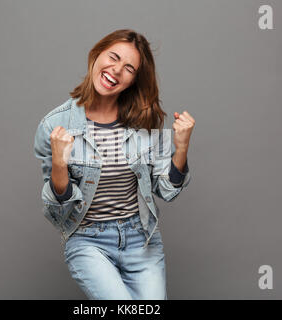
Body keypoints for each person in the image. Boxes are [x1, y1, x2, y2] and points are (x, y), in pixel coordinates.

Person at [34, 29, 195, 300]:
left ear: (134, 80)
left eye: (129, 68)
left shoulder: (145, 120)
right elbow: (58, 215)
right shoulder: (54, 125)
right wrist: (60, 163)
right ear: (96, 55)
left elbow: (167, 191)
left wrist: (182, 148)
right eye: (113, 57)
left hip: (141, 240)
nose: (117, 70)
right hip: (88, 241)